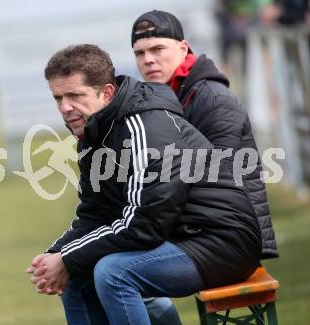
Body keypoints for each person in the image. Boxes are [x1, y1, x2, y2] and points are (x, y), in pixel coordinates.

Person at [27, 44, 262, 325]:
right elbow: (94, 213)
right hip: (178, 238)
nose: (65, 108)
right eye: (58, 98)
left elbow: (145, 223)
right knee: (78, 278)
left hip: (222, 242)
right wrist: (56, 255)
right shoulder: (93, 131)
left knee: (113, 273)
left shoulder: (145, 126)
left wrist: (67, 258)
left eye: (75, 95)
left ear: (107, 93)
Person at [131, 10, 279, 321]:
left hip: (230, 237)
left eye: (158, 49)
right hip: (202, 228)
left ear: (183, 48)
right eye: (140, 53)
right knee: (110, 267)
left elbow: (216, 182)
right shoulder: (169, 95)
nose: (148, 60)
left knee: (117, 273)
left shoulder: (211, 98)